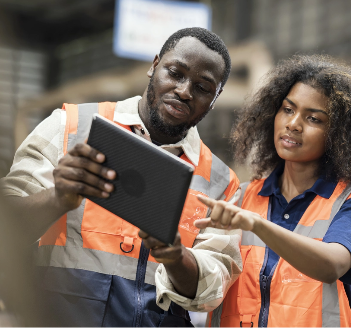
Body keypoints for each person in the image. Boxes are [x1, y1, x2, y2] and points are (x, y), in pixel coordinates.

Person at [1, 27, 243, 328]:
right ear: (154, 66)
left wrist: (177, 257)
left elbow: (214, 286)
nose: (184, 91)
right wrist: (57, 197)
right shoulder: (71, 128)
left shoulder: (221, 182)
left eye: (203, 87)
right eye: (175, 72)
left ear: (216, 98)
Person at [193, 55, 351, 327]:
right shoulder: (241, 196)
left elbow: (332, 266)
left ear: (338, 135)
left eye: (314, 118)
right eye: (287, 109)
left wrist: (257, 225)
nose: (293, 124)